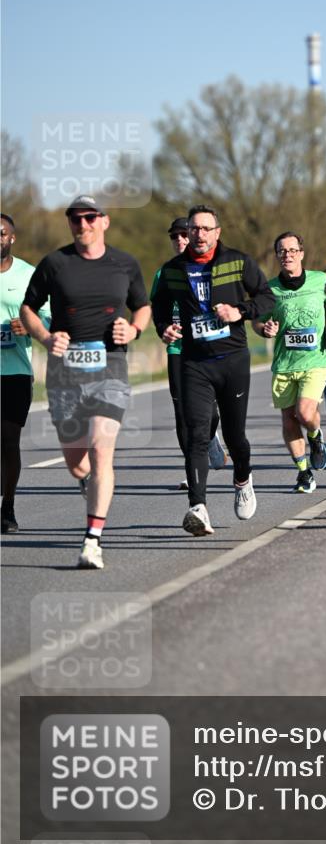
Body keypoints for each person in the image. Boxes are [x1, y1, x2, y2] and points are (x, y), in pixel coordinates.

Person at [20, 195, 150, 568]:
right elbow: (28, 308)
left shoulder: (125, 263)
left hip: (110, 368)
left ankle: (92, 540)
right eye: (76, 218)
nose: (83, 224)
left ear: (104, 221)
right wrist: (46, 338)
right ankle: (88, 483)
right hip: (64, 373)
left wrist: (134, 329)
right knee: (77, 462)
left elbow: (142, 306)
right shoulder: (55, 263)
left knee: (100, 449)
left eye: (90, 217)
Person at [152, 204, 275, 536]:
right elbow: (159, 305)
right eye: (194, 229)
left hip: (232, 359)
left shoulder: (238, 261)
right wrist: (164, 327)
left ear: (217, 232)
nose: (199, 234)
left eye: (206, 228)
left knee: (235, 437)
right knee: (197, 433)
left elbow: (267, 298)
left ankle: (243, 480)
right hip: (194, 362)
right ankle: (198, 507)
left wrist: (240, 311)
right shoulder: (173, 269)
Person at [253, 232, 326, 494]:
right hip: (284, 363)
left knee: (305, 413)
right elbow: (256, 320)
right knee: (289, 419)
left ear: (301, 253)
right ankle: (303, 472)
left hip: (316, 359)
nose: (287, 255)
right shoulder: (269, 289)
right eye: (282, 251)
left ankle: (315, 436)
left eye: (292, 250)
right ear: (277, 255)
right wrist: (264, 329)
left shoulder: (320, 280)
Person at [150, 217, 227, 491]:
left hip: (208, 347)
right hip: (178, 349)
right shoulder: (164, 272)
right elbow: (156, 309)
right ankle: (192, 468)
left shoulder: (212, 267)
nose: (180, 240)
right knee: (182, 414)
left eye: (184, 234)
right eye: (175, 236)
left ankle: (209, 436)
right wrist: (163, 328)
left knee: (210, 412)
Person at [1, 214, 50, 533]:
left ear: (11, 238)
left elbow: (49, 316)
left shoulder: (28, 274)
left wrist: (30, 325)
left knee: (8, 441)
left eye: (1, 233)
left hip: (15, 371)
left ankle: (8, 507)